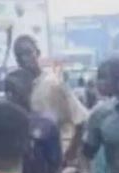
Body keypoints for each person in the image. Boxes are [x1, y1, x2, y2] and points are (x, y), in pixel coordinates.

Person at [11, 35, 87, 165]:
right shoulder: (16, 86)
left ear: (38, 53)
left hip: (54, 157)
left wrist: (69, 154)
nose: (24, 59)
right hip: (29, 160)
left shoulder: (53, 84)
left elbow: (82, 121)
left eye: (28, 53)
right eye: (19, 55)